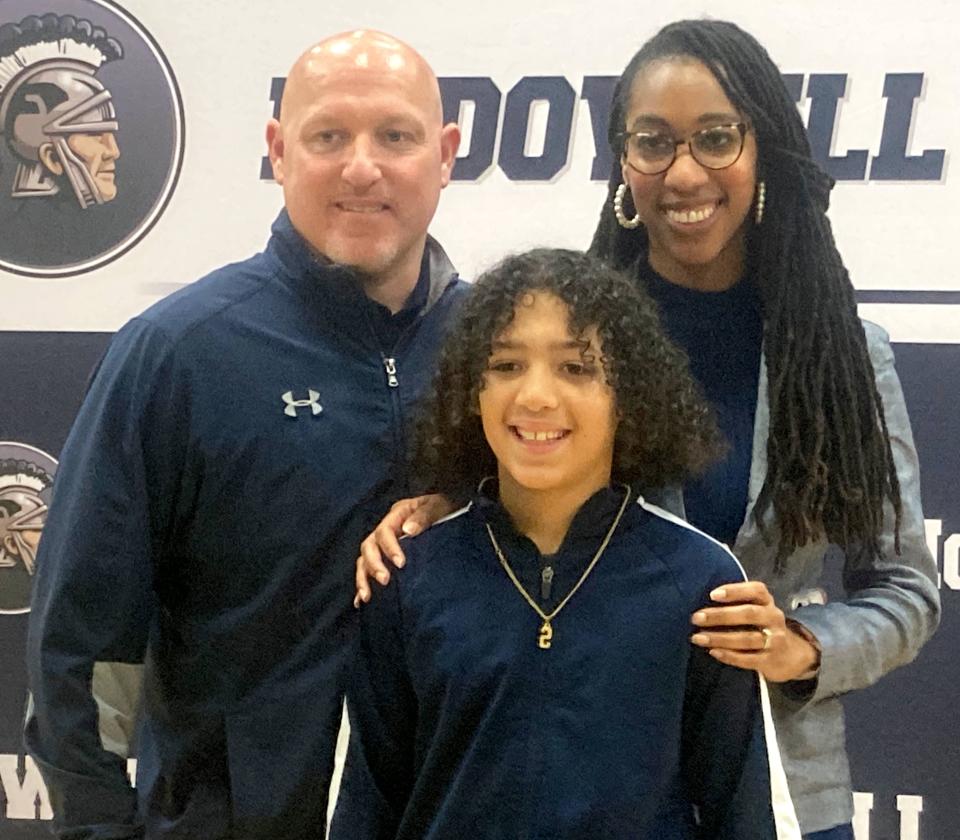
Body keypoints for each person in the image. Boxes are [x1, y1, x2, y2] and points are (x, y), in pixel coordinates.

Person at [354, 20, 940, 840]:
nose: (684, 171)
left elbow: (907, 588)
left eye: (716, 138)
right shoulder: (565, 336)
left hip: (785, 790)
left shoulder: (843, 357)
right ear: (623, 163)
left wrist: (802, 643)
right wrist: (433, 505)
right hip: (602, 777)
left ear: (760, 147)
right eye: (653, 142)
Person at [26, 30, 463, 839]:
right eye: (328, 135)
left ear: (445, 154)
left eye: (395, 137)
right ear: (278, 151)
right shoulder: (180, 352)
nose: (361, 167)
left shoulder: (507, 360)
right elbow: (81, 647)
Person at [333, 248, 801, 839]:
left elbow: (746, 808)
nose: (535, 396)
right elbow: (365, 803)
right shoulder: (409, 576)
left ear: (627, 394)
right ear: (468, 388)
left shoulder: (698, 580)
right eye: (505, 365)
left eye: (575, 368)